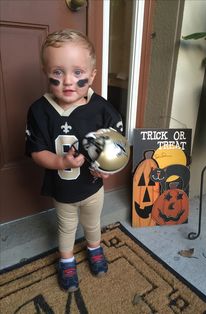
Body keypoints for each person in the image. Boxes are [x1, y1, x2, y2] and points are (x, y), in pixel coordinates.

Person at [25, 29, 124, 292]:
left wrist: (108, 168)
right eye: (58, 73)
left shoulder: (102, 108)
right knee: (66, 228)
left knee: (93, 223)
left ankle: (94, 248)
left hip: (92, 187)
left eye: (78, 73)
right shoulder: (39, 111)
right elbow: (36, 151)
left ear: (92, 75)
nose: (68, 81)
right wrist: (61, 163)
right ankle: (67, 260)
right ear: (45, 71)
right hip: (64, 190)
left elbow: (116, 144)